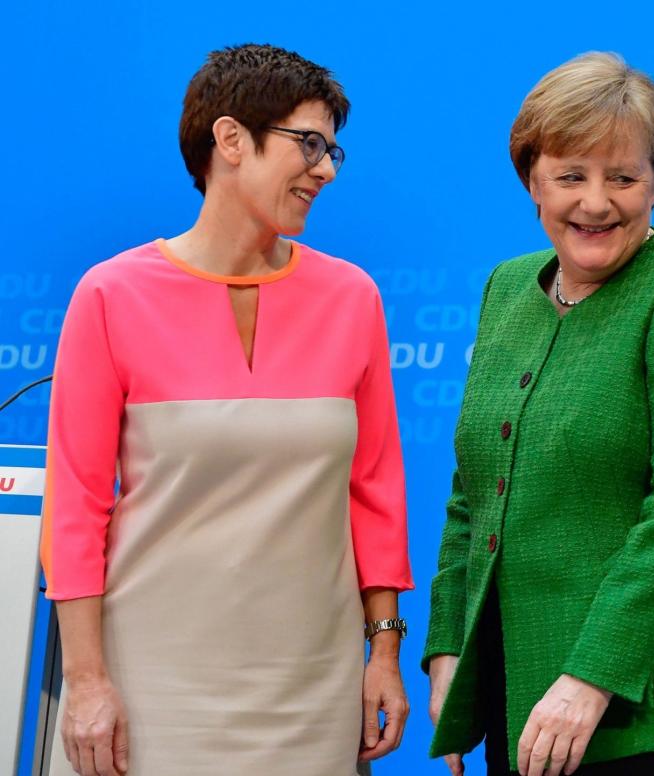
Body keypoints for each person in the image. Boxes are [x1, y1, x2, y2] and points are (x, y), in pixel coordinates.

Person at [41, 43, 413, 776]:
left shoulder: (352, 298)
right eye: (308, 144)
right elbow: (76, 507)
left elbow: (376, 494)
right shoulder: (110, 295)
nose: (326, 169)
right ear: (231, 140)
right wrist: (86, 682)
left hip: (313, 684)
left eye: (332, 149)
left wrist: (385, 652)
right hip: (153, 683)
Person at [423, 52, 654, 776]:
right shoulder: (505, 290)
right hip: (523, 694)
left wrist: (593, 677)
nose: (595, 202)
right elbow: (475, 492)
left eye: (622, 177)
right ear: (532, 180)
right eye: (571, 176)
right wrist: (449, 652)